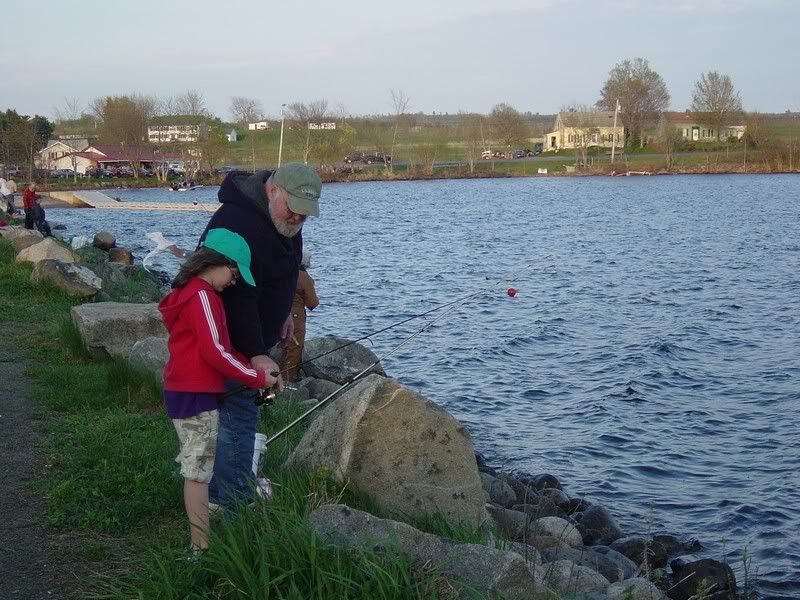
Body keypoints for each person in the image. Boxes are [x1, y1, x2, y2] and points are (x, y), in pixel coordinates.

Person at [199, 162, 322, 511]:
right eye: (294, 209)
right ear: (272, 189)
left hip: (254, 339)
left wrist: (282, 313)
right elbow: (234, 296)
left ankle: (225, 488)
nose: (298, 219)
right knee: (237, 415)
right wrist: (255, 352)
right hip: (225, 342)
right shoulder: (234, 225)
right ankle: (229, 501)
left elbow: (281, 270)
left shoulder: (282, 221)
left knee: (241, 414)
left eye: (305, 213)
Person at [158, 227, 274, 554]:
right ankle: (201, 550)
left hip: (187, 393)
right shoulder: (204, 297)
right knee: (197, 473)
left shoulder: (191, 292)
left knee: (198, 469)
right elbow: (215, 352)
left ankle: (202, 541)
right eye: (234, 273)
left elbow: (222, 347)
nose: (234, 282)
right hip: (195, 396)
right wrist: (255, 378)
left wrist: (256, 369)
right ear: (217, 263)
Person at [279, 251, 319, 382]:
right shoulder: (304, 277)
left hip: (280, 313)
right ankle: (288, 381)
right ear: (306, 263)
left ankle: (278, 379)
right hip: (296, 317)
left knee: (284, 348)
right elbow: (312, 303)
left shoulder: (285, 273)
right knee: (294, 348)